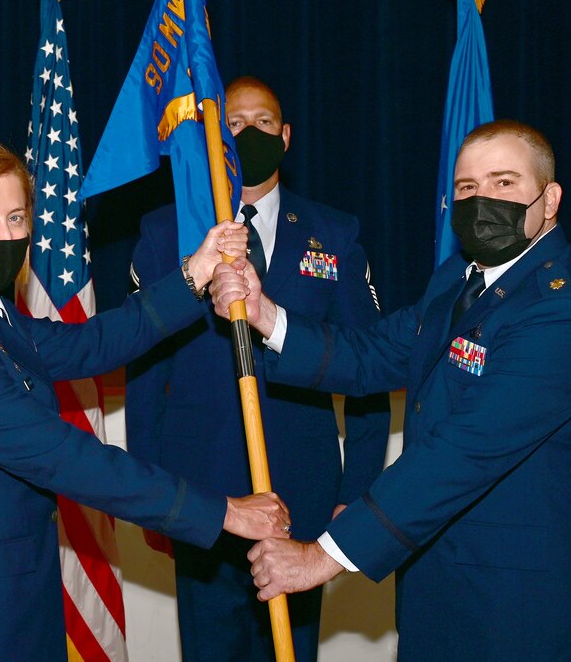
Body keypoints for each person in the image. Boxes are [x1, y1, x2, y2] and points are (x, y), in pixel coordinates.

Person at [211, 120, 571, 661]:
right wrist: (267, 314)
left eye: (504, 183)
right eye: (467, 187)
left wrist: (322, 556)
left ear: (548, 199)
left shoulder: (563, 315)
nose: (483, 199)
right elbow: (374, 353)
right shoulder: (460, 277)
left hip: (524, 617)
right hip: (439, 600)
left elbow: (461, 454)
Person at [0, 136, 290, 662]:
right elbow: (63, 456)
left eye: (15, 218)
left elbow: (90, 343)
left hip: (18, 594)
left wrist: (196, 272)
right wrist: (225, 512)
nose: (4, 235)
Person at [126, 76, 389, 661]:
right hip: (201, 489)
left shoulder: (335, 234)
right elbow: (144, 371)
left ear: (287, 136)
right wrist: (150, 487)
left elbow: (367, 369)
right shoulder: (168, 231)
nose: (250, 134)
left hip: (305, 490)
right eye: (235, 125)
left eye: (264, 123)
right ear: (217, 140)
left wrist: (358, 490)